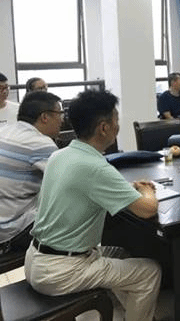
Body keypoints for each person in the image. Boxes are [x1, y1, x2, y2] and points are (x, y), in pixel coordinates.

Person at [24, 90, 161, 321]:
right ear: (104, 128)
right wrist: (147, 191)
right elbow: (148, 209)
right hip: (62, 270)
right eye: (116, 120)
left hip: (36, 259)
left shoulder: (60, 155)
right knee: (150, 272)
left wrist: (125, 188)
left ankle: (135, 312)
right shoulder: (96, 167)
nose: (118, 126)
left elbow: (83, 186)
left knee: (120, 253)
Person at [0, 91, 62, 254]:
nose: (62, 119)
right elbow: (68, 181)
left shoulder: (4, 131)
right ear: (45, 117)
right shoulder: (39, 144)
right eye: (59, 113)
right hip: (10, 231)